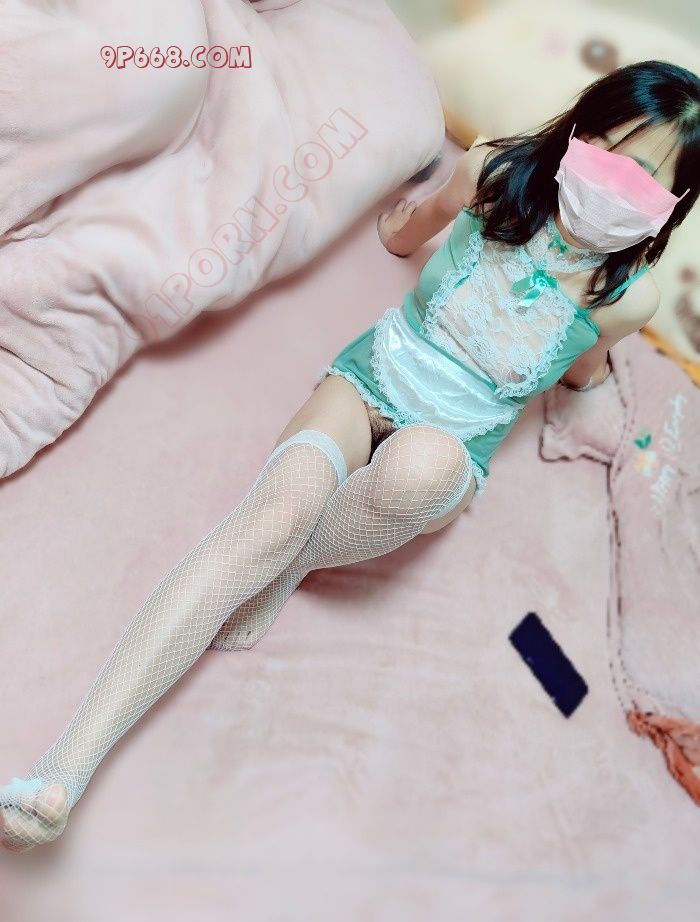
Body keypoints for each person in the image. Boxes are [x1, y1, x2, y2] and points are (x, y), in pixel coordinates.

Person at [1, 59, 698, 851]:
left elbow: (581, 364)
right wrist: (399, 224)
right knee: (273, 515)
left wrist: (594, 393)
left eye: (644, 177)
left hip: (454, 443)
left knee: (419, 472)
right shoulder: (494, 175)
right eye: (605, 148)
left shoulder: (627, 296)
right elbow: (408, 227)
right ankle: (61, 775)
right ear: (578, 130)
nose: (613, 181)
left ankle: (294, 565)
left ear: (674, 203)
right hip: (378, 373)